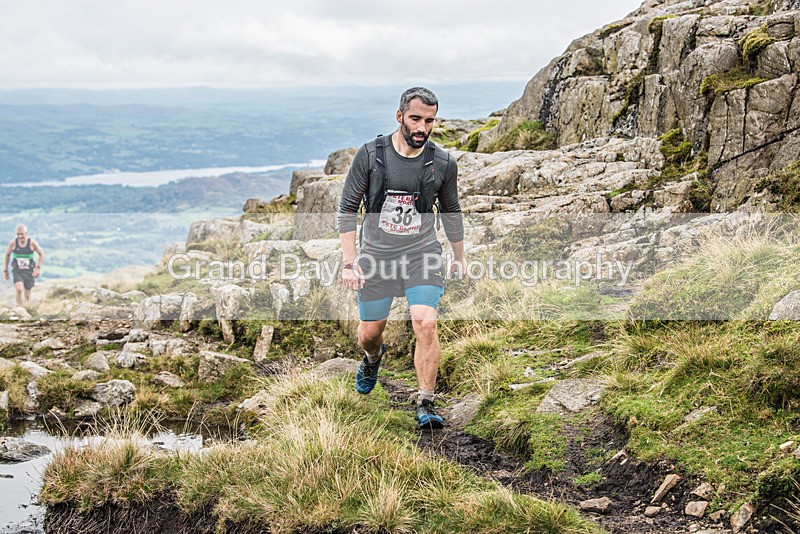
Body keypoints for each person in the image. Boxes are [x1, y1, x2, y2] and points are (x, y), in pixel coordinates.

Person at [338, 87, 466, 429]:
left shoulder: (442, 162)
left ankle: (426, 401)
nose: (422, 127)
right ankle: (372, 358)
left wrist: (458, 256)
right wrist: (350, 262)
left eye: (429, 120)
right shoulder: (370, 155)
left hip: (421, 253)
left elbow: (451, 211)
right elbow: (347, 210)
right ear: (399, 117)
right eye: (416, 119)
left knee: (425, 321)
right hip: (377, 256)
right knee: (369, 332)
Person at [4, 224, 44, 307]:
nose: (20, 236)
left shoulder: (32, 243)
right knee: (19, 289)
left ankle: (28, 311)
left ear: (26, 233)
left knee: (27, 295)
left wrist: (38, 268)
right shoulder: (13, 243)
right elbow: (7, 255)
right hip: (17, 271)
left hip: (29, 271)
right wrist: (6, 270)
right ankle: (19, 309)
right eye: (18, 234)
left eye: (21, 234)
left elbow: (41, 254)